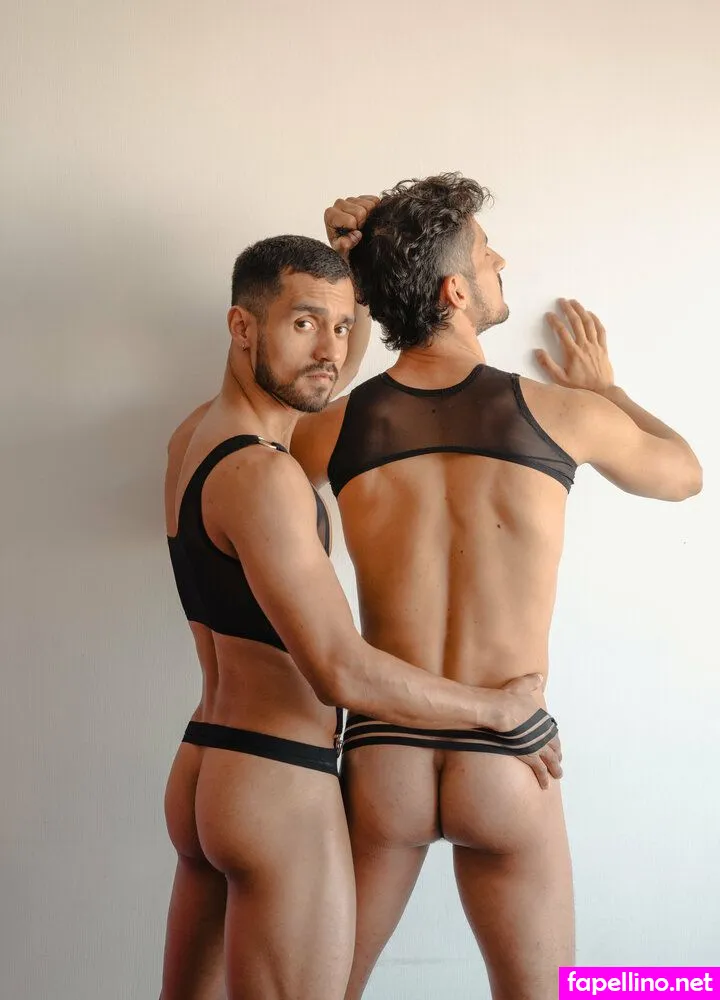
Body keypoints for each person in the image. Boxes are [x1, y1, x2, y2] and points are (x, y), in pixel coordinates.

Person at [290, 174, 703, 1000]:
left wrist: (362, 286)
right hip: (512, 749)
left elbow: (284, 444)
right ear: (454, 291)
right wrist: (605, 389)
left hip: (385, 751)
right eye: (485, 253)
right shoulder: (561, 414)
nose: (500, 261)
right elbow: (685, 474)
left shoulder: (331, 430)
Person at [159, 195, 559, 1000]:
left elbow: (329, 392)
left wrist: (365, 278)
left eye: (343, 328)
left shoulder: (194, 440)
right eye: (305, 324)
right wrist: (498, 711)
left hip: (208, 764)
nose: (332, 352)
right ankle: (684, 984)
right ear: (242, 328)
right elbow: (341, 669)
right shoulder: (266, 476)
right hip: (277, 783)